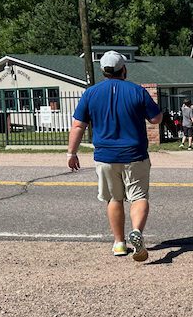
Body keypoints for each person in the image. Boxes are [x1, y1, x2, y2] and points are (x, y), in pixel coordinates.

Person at [67, 51, 163, 263]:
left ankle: (119, 243)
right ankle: (136, 231)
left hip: (105, 156)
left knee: (113, 198)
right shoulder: (137, 91)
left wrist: (71, 152)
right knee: (138, 197)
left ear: (103, 71)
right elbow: (155, 119)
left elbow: (78, 126)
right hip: (135, 154)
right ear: (124, 69)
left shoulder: (91, 93)